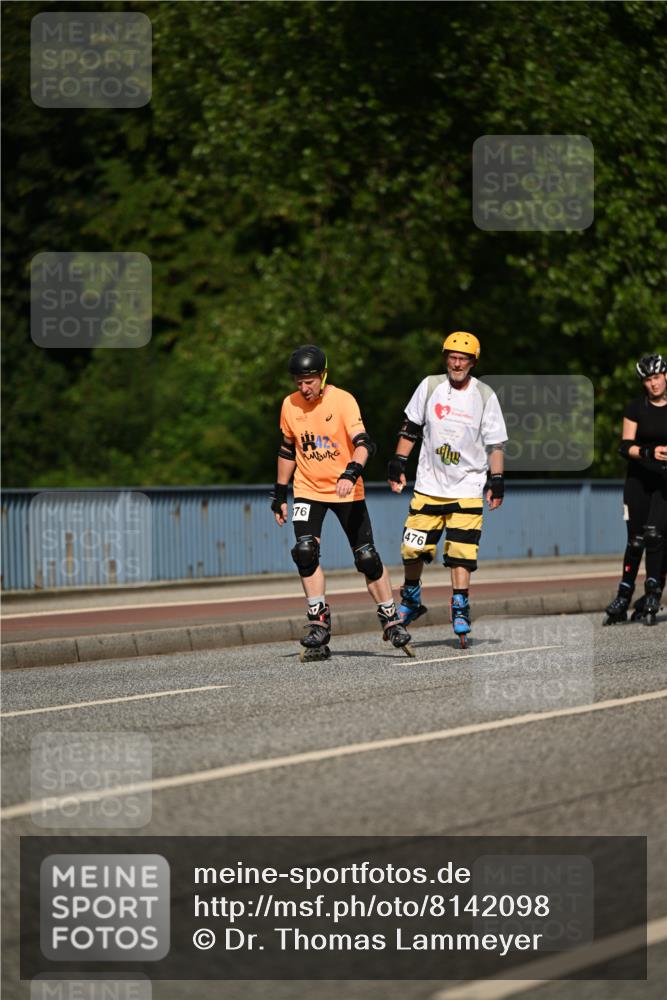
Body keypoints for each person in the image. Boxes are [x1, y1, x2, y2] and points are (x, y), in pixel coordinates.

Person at [271, 344, 413, 660]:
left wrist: (351, 472)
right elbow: (287, 450)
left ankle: (390, 619)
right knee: (304, 551)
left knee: (366, 557)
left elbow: (364, 444)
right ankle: (317, 622)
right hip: (307, 489)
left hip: (345, 489)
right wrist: (279, 494)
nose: (303, 387)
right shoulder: (289, 405)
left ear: (323, 375)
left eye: (309, 380)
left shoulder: (343, 400)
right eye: (298, 381)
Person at [386, 332, 508, 647]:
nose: (456, 363)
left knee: (461, 554)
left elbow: (495, 443)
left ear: (472, 362)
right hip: (428, 486)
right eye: (452, 357)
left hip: (467, 487)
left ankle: (460, 606)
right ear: (446, 359)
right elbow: (410, 427)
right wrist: (398, 462)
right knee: (411, 548)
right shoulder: (429, 387)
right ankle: (411, 597)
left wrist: (497, 480)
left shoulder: (484, 395)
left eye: (463, 358)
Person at [603, 353, 667, 627]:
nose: (653, 384)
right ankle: (623, 595)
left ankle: (653, 593)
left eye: (657, 377)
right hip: (638, 480)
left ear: (666, 376)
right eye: (648, 380)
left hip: (665, 484)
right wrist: (649, 451)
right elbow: (624, 446)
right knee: (635, 540)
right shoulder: (635, 408)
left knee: (655, 535)